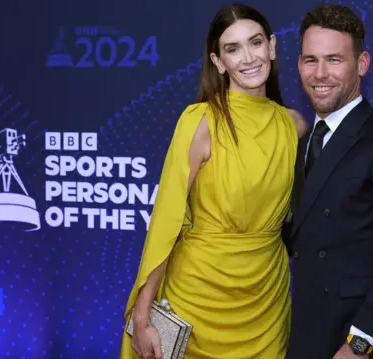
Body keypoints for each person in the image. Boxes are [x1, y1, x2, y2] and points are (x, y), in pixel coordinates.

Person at [120, 3, 307, 359]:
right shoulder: (200, 122)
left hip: (266, 302)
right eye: (232, 49)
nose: (248, 58)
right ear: (219, 62)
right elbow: (165, 222)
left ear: (272, 46)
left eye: (255, 43)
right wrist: (142, 316)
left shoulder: (294, 125)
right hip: (197, 301)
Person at [284, 4, 373, 359]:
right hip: (307, 336)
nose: (320, 74)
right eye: (310, 60)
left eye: (334, 60)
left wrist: (359, 345)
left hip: (365, 344)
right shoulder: (301, 143)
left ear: (362, 64)